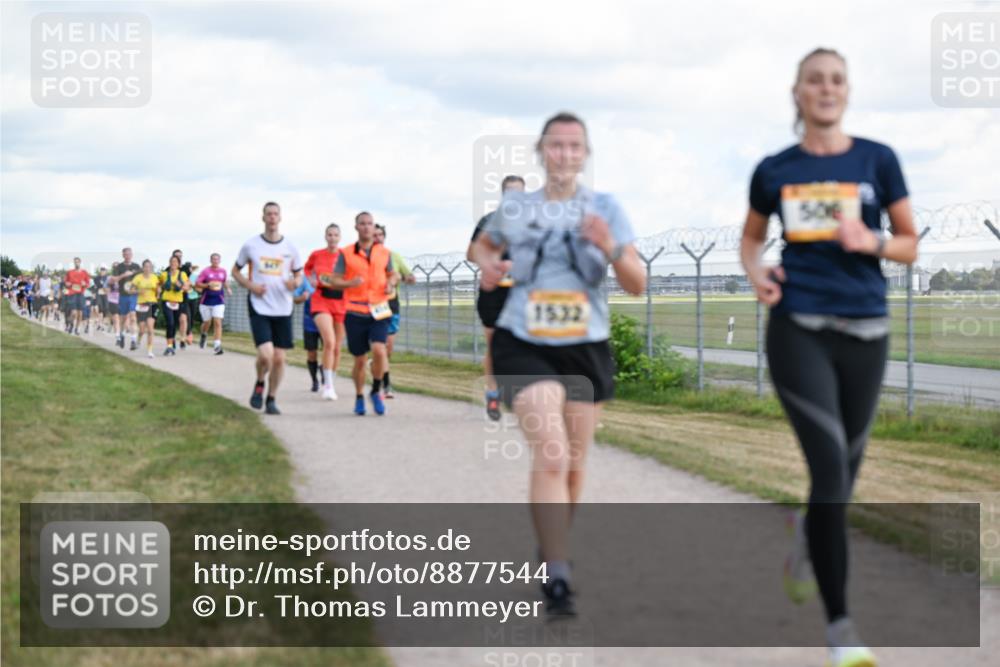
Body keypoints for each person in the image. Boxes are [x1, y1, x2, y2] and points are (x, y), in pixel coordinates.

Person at [740, 48, 917, 667]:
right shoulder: (774, 169)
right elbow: (750, 239)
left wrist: (873, 240)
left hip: (868, 330)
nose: (826, 88)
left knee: (840, 478)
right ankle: (841, 630)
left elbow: (910, 244)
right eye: (814, 80)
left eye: (836, 80)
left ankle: (807, 540)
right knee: (832, 473)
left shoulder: (877, 160)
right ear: (797, 92)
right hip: (799, 327)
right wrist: (756, 273)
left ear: (847, 91)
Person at [470, 112, 645, 617]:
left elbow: (636, 283)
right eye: (555, 145)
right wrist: (489, 268)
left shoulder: (606, 208)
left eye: (574, 146)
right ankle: (559, 572)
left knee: (574, 462)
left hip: (584, 344)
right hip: (523, 340)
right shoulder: (518, 208)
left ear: (585, 155)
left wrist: (609, 246)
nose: (565, 154)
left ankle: (551, 547)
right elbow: (482, 248)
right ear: (541, 152)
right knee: (552, 452)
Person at [232, 201, 303, 415]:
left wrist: (295, 283)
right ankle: (260, 381)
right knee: (265, 356)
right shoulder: (251, 245)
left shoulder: (290, 247)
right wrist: (250, 285)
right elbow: (235, 271)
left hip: (283, 307)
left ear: (280, 218)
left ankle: (271, 398)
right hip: (259, 305)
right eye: (269, 214)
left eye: (275, 214)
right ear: (263, 217)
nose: (272, 217)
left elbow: (299, 274)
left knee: (279, 358)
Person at [326, 212, 398, 416]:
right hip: (355, 312)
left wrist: (391, 283)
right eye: (362, 224)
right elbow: (334, 280)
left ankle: (375, 390)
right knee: (359, 360)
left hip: (379, 310)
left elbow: (393, 274)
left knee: (379, 350)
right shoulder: (346, 253)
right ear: (356, 227)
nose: (367, 227)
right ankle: (359, 396)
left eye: (370, 223)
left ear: (374, 227)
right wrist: (350, 283)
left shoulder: (384, 253)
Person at [467, 174, 526, 418]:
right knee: (494, 345)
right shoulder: (489, 221)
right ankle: (493, 395)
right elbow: (471, 254)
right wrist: (493, 263)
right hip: (493, 293)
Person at [303, 224, 348, 400]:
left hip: (341, 301)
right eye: (329, 234)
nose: (332, 238)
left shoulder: (346, 256)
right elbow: (307, 268)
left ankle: (331, 382)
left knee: (337, 347)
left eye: (335, 235)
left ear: (340, 237)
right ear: (325, 236)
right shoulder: (317, 254)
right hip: (321, 300)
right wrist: (311, 279)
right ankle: (327, 386)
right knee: (329, 341)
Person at [372, 223, 416, 398]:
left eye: (380, 235)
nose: (377, 238)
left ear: (384, 237)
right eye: (374, 235)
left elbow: (409, 276)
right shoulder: (366, 258)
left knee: (388, 348)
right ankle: (386, 385)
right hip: (376, 304)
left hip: (392, 304)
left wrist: (405, 278)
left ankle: (377, 367)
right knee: (381, 347)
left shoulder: (394, 256)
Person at [195, 253, 231, 355]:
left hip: (219, 300)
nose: (215, 261)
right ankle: (203, 334)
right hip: (206, 301)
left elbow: (225, 282)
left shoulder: (223, 271)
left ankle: (217, 346)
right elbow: (197, 283)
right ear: (211, 260)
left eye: (217, 259)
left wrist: (228, 288)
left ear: (219, 261)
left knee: (217, 322)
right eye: (213, 259)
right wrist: (207, 285)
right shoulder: (205, 271)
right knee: (207, 322)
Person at [293, 277, 322, 391]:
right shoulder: (305, 279)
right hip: (310, 322)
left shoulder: (329, 274)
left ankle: (324, 369)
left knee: (329, 349)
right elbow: (295, 299)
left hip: (327, 320)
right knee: (311, 353)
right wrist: (302, 297)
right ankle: (314, 380)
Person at [111, 247, 142, 350]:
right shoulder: (119, 267)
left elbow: (141, 279)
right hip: (123, 295)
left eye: (129, 254)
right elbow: (113, 279)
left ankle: (133, 340)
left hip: (133, 295)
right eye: (126, 254)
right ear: (123, 255)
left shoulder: (136, 266)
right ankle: (122, 334)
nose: (128, 256)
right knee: (124, 319)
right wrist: (123, 275)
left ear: (132, 255)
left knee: (133, 317)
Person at [158, 256, 190, 355]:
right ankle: (169, 346)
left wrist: (181, 285)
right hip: (166, 301)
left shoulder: (182, 274)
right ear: (169, 263)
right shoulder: (164, 274)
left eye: (175, 261)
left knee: (175, 324)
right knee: (170, 323)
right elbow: (158, 284)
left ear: (178, 264)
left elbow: (187, 288)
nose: (173, 263)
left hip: (178, 302)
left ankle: (172, 344)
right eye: (172, 261)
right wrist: (159, 289)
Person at [131, 260, 161, 358]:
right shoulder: (138, 278)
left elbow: (158, 290)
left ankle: (150, 351)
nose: (147, 268)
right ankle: (138, 341)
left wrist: (158, 292)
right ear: (143, 268)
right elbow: (131, 290)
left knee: (150, 328)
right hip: (141, 304)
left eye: (149, 266)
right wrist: (138, 291)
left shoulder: (154, 277)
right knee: (142, 329)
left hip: (152, 304)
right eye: (146, 266)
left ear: (151, 268)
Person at [172, 249, 200, 349]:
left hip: (187, 298)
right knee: (177, 319)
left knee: (188, 318)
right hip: (175, 297)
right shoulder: (171, 269)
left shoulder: (186, 269)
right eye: (176, 255)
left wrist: (191, 284)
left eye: (180, 256)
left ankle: (185, 337)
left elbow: (195, 283)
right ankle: (176, 338)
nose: (179, 257)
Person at [64, 257, 91, 335]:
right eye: (75, 262)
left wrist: (84, 284)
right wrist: (67, 284)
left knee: (80, 313)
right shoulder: (70, 272)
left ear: (80, 263)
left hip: (81, 294)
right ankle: (71, 324)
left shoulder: (84, 272)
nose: (76, 263)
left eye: (78, 262)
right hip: (72, 294)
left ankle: (77, 328)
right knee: (74, 313)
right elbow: (66, 282)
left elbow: (88, 284)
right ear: (74, 263)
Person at [92, 266, 109, 331]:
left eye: (104, 271)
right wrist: (94, 293)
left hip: (106, 294)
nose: (102, 272)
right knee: (99, 307)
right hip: (99, 293)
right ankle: (100, 323)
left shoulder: (108, 278)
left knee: (106, 308)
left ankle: (102, 322)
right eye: (101, 271)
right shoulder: (97, 278)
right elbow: (96, 286)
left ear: (106, 272)